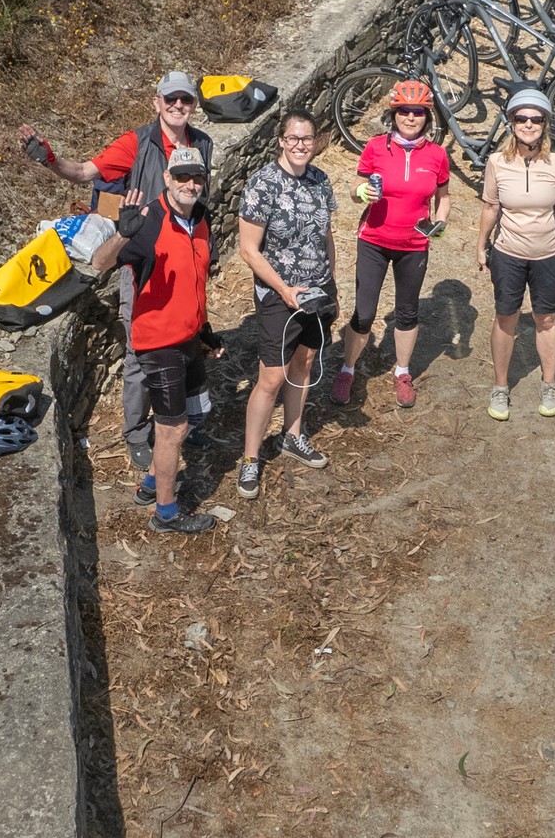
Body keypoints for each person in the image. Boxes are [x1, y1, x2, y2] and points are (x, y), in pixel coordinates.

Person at [18, 72, 214, 483]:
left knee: (188, 339)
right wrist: (50, 159)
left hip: (185, 252)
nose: (179, 106)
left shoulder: (202, 145)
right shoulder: (136, 143)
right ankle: (137, 432)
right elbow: (85, 172)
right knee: (140, 351)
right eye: (171, 99)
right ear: (156, 102)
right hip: (141, 261)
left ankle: (178, 422)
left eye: (187, 100)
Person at [81, 145, 221, 534]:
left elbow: (196, 282)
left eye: (197, 178)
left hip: (189, 338)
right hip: (157, 343)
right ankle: (166, 513)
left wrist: (205, 331)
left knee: (197, 414)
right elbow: (100, 263)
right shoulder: (149, 222)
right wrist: (121, 235)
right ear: (167, 180)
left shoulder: (202, 219)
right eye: (182, 177)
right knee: (172, 428)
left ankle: (150, 483)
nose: (190, 185)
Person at [231, 113, 337, 502]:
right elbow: (248, 249)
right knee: (271, 379)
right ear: (281, 140)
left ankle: (292, 435)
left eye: (306, 139)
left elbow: (326, 236)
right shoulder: (263, 184)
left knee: (305, 364)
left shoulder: (320, 181)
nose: (299, 145)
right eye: (293, 139)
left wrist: (332, 286)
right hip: (279, 297)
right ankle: (250, 457)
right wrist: (284, 288)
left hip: (316, 292)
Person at [333, 79, 450, 409]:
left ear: (427, 117)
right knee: (365, 312)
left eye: (418, 112)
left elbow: (444, 197)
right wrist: (361, 193)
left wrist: (439, 223)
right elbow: (356, 186)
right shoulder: (374, 147)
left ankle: (402, 372)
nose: (411, 118)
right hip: (373, 240)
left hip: (414, 244)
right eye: (404, 111)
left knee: (407, 311)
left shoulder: (437, 155)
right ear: (393, 114)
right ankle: (347, 369)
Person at [476, 88, 555, 421]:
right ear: (511, 122)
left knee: (546, 318)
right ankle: (500, 387)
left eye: (536, 119)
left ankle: (548, 384)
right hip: (508, 253)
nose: (528, 124)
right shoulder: (496, 162)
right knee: (506, 317)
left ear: (545, 124)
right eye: (522, 118)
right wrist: (481, 244)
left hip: (548, 254)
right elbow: (491, 206)